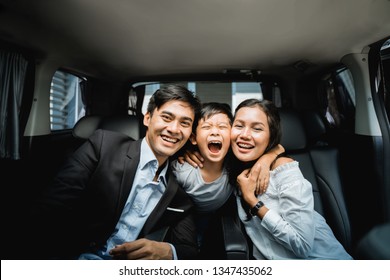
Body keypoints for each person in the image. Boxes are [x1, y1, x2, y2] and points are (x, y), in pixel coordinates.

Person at [28, 84, 202, 260]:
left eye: (185, 123)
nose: (174, 129)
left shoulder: (179, 195)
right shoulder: (103, 146)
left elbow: (190, 250)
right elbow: (49, 211)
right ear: (147, 118)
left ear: (190, 133)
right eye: (166, 117)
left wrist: (168, 251)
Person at [232, 98, 353, 259]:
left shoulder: (284, 169)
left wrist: (252, 201)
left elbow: (302, 245)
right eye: (239, 126)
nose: (245, 135)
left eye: (257, 129)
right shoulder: (235, 169)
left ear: (271, 136)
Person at [172, 102, 284, 258]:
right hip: (182, 218)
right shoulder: (183, 168)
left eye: (223, 127)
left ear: (231, 135)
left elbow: (278, 146)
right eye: (207, 127)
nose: (215, 132)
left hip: (214, 219)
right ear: (193, 138)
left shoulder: (236, 163)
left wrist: (266, 159)